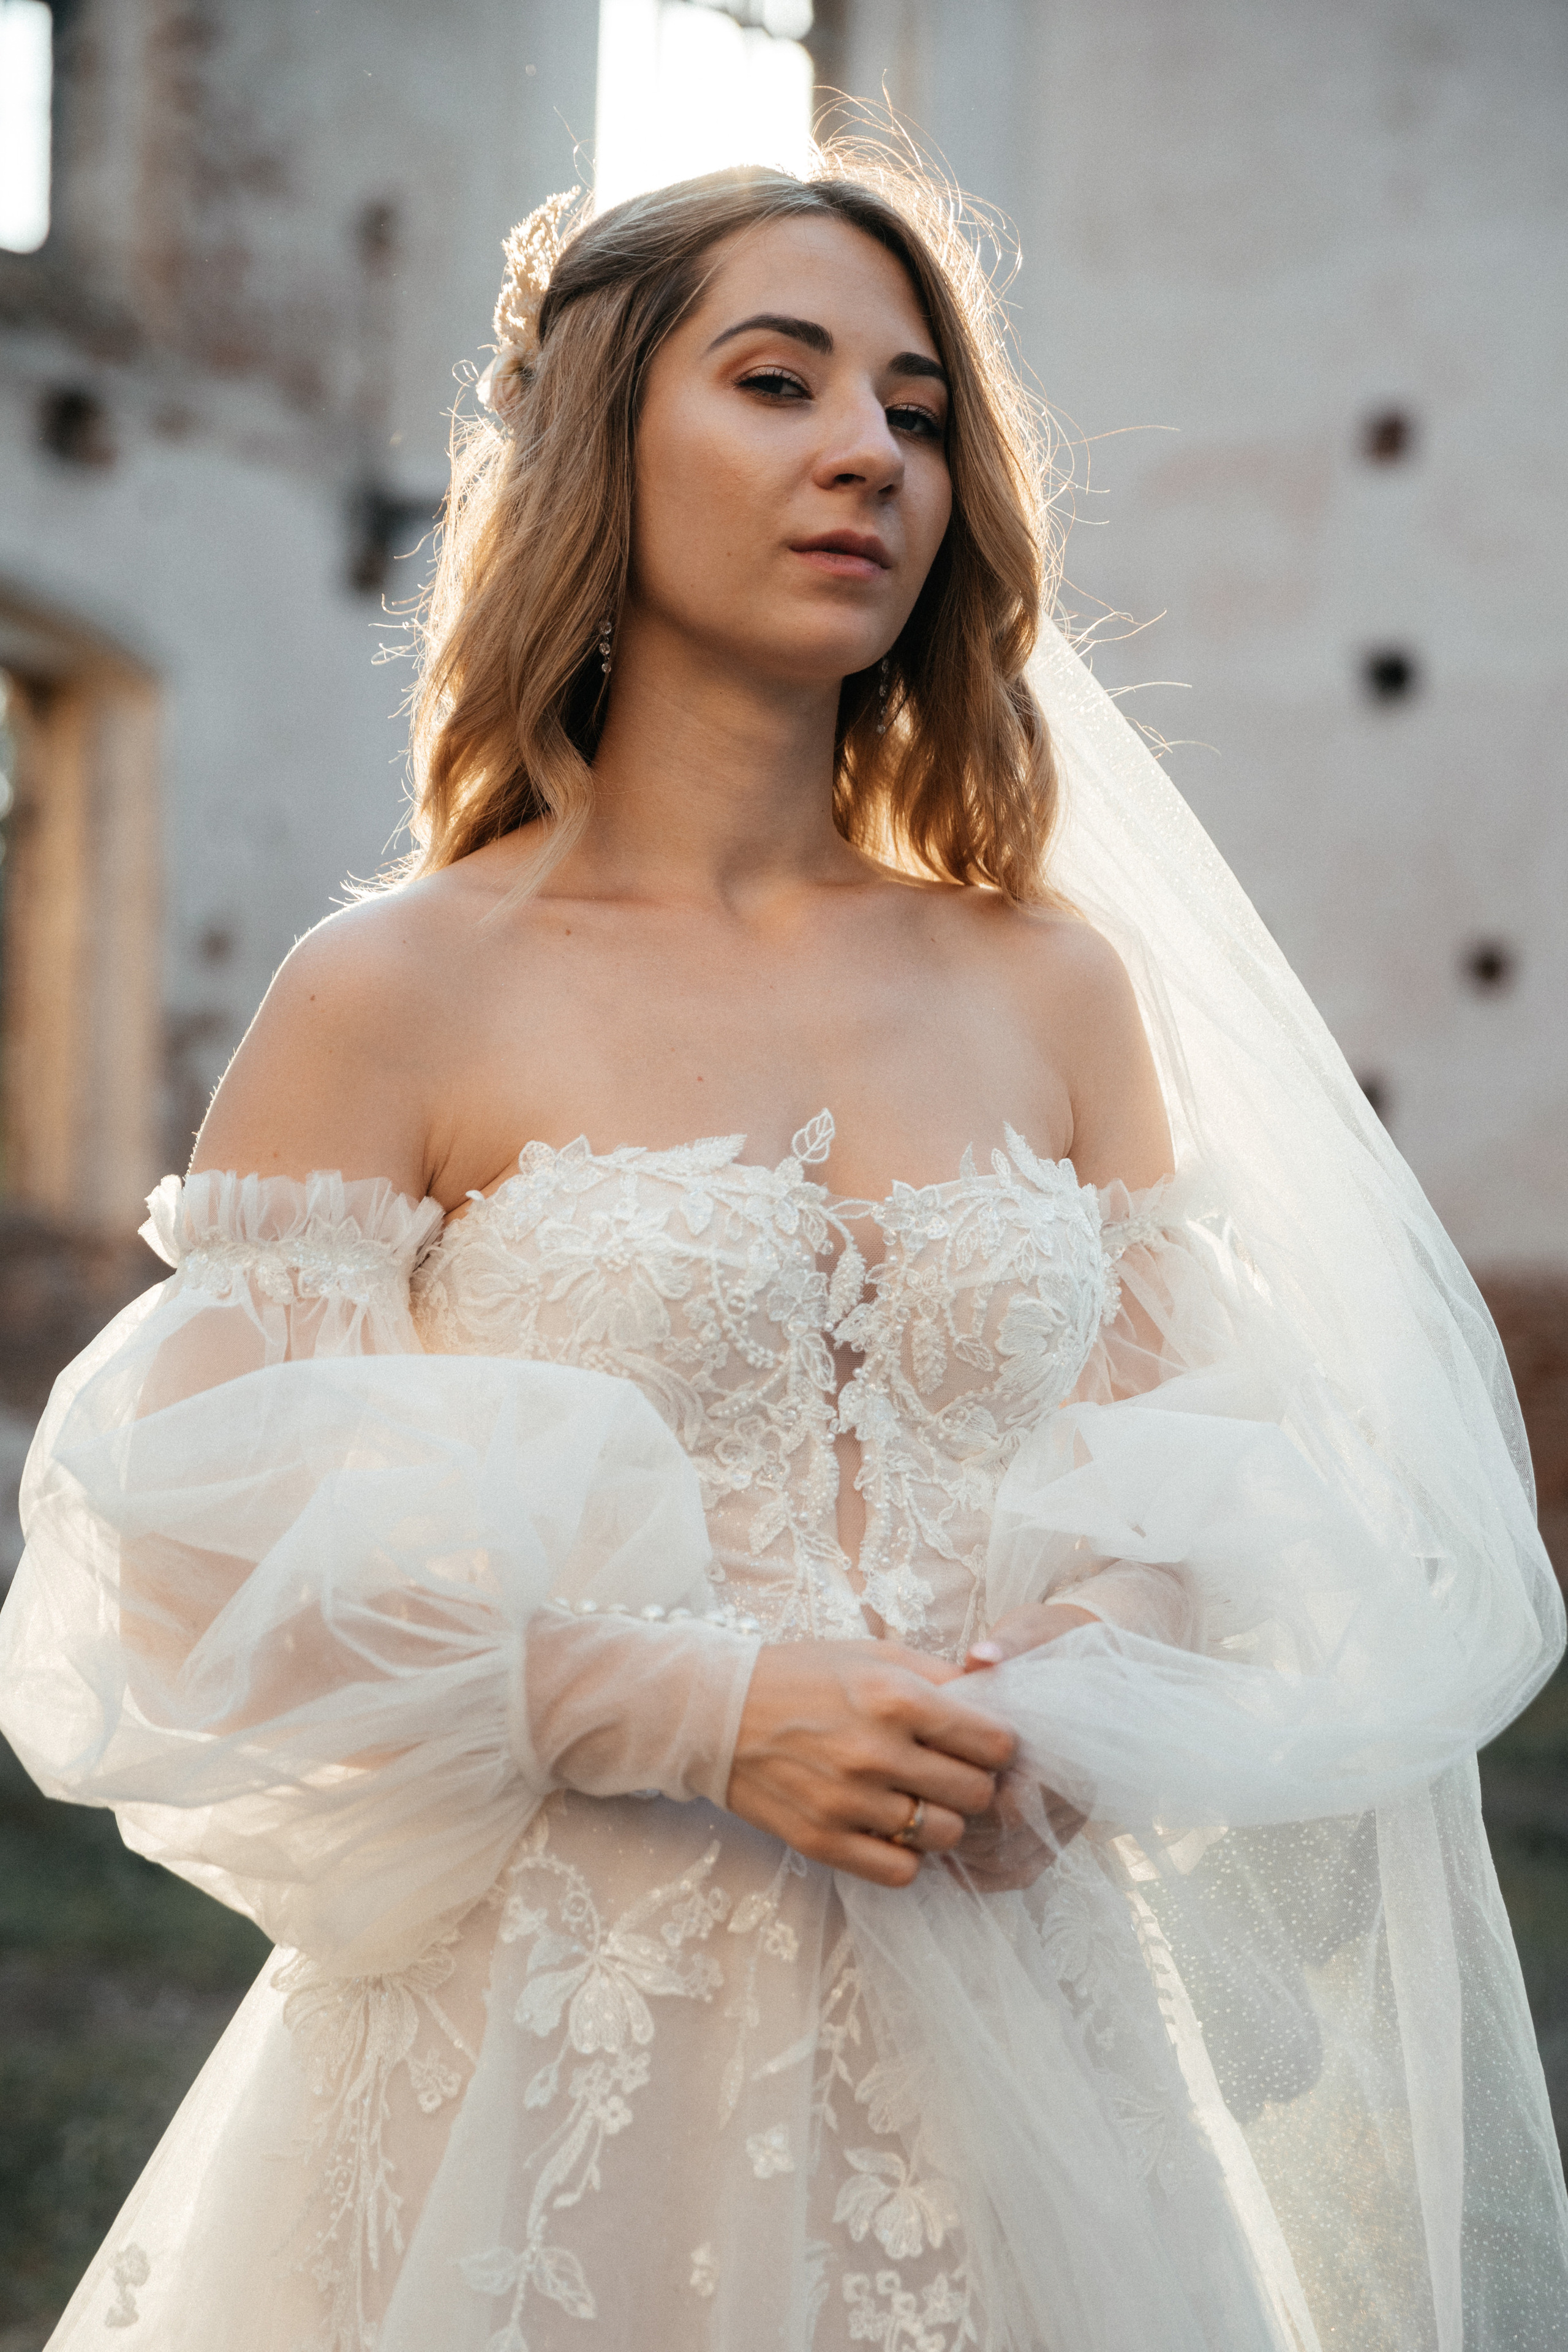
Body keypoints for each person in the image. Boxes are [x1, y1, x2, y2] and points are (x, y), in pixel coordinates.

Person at [2, 152, 1565, 2352]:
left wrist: (1083, 1688)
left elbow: (1196, 1475)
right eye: (777, 380)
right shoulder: (398, 990)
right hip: (547, 2068)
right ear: (599, 442)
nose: (867, 453)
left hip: (1031, 2060)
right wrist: (693, 1705)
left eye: (917, 412)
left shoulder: (1053, 985)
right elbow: (194, 1574)